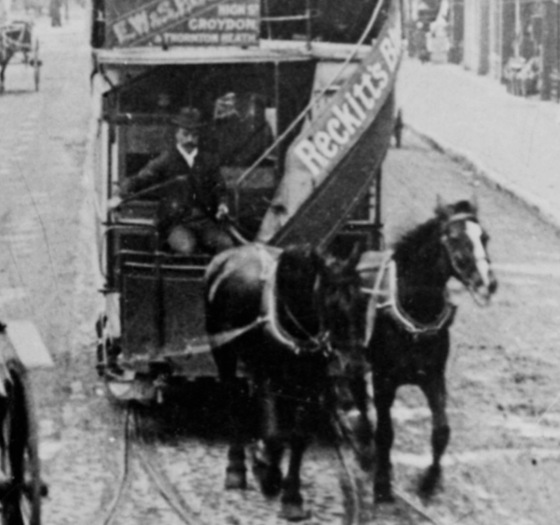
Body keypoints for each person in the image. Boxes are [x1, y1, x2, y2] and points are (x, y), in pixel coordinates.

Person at [115, 107, 235, 255]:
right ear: (176, 134)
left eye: (194, 135)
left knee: (226, 244)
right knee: (186, 248)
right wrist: (119, 195)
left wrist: (222, 205)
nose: (190, 140)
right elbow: (141, 179)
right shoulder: (166, 160)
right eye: (185, 134)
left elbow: (219, 188)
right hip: (176, 223)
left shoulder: (208, 161)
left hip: (204, 221)